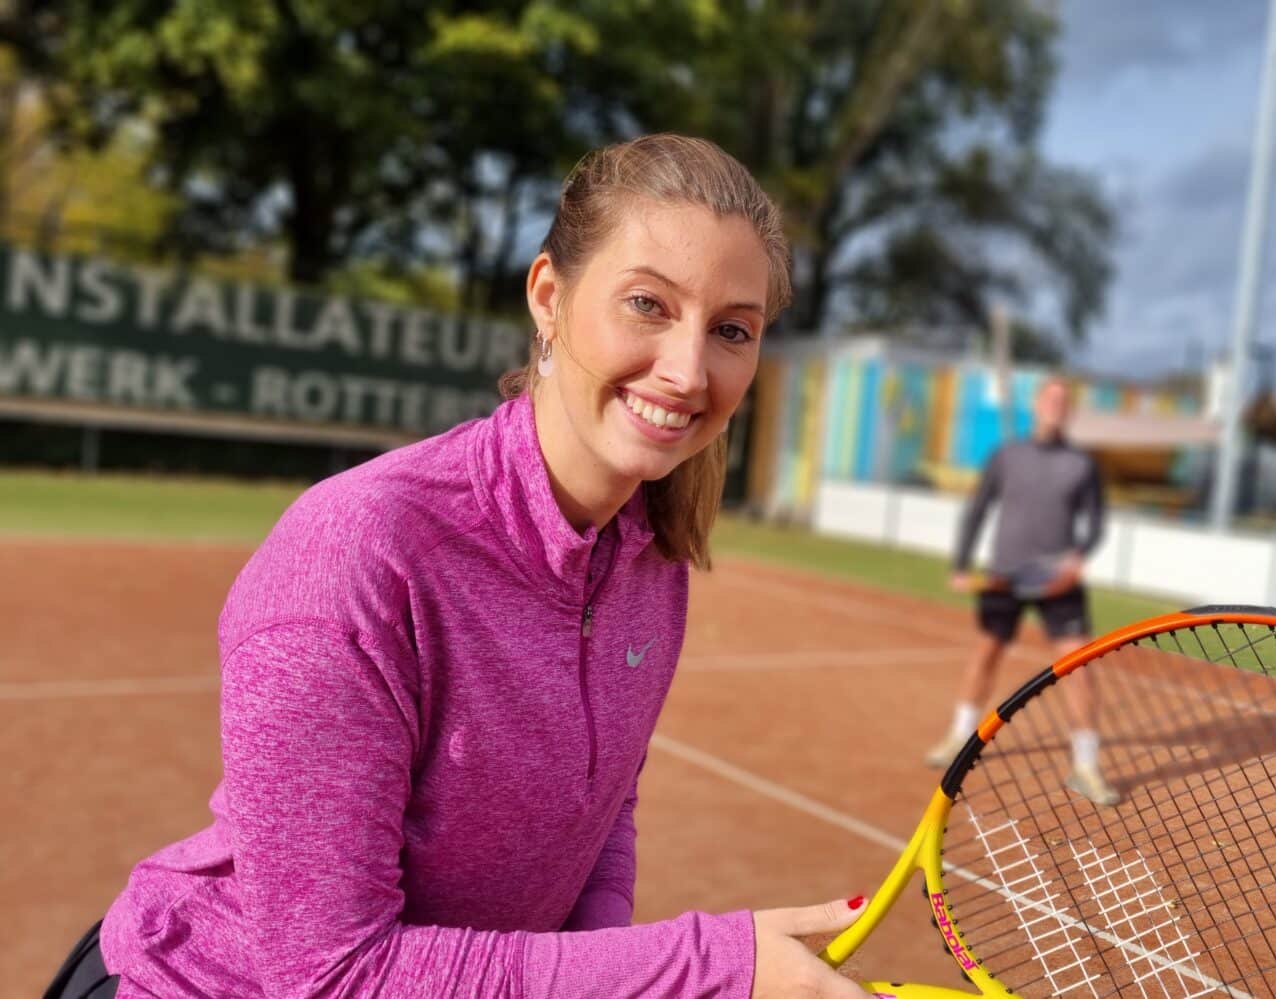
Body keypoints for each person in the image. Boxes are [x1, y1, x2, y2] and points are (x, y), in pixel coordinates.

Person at [47, 135, 871, 999]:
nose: (688, 368)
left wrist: (605, 982)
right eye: (647, 304)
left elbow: (600, 819)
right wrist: (711, 967)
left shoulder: (648, 559)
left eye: (732, 329)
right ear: (549, 297)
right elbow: (332, 976)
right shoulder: (357, 554)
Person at [924, 377, 1119, 806]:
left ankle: (1085, 766)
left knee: (1078, 668)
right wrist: (961, 563)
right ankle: (959, 737)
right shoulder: (1006, 455)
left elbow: (1096, 526)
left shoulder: (1081, 465)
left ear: (1069, 410)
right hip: (1005, 575)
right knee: (986, 655)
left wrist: (1075, 562)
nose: (1056, 405)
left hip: (1057, 581)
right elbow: (978, 508)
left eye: (1063, 400)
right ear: (1036, 404)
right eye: (1050, 398)